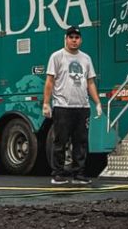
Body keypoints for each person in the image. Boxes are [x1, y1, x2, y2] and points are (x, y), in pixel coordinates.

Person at [42, 25, 102, 184]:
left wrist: (97, 103)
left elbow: (90, 82)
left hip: (82, 107)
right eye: (71, 37)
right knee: (60, 141)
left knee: (80, 142)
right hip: (62, 107)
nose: (74, 40)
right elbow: (49, 81)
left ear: (80, 40)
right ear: (65, 39)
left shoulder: (86, 58)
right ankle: (58, 174)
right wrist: (46, 104)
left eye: (77, 38)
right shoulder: (57, 57)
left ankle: (78, 174)